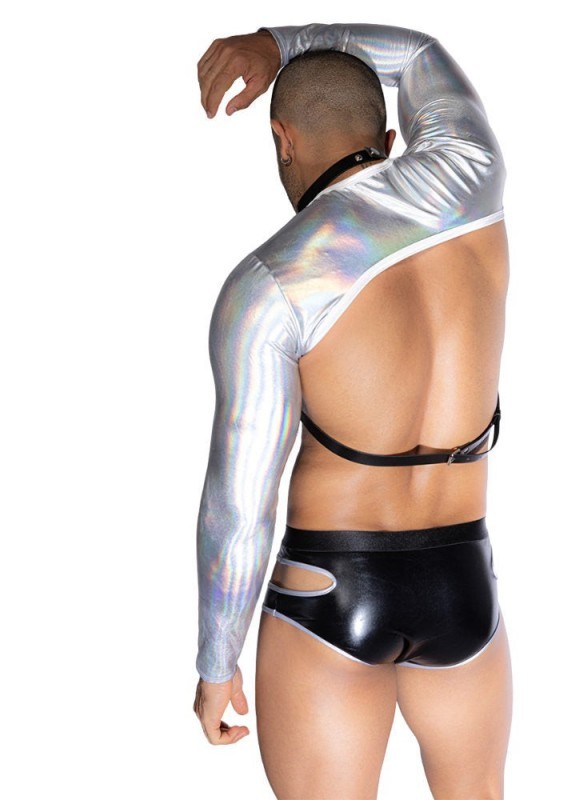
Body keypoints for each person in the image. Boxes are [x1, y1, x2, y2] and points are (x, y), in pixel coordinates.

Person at [193, 22, 512, 799]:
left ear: (283, 139)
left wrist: (216, 661)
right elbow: (421, 54)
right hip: (463, 582)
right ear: (392, 137)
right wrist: (280, 44)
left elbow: (240, 503)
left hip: (329, 589)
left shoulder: (270, 284)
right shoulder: (472, 172)